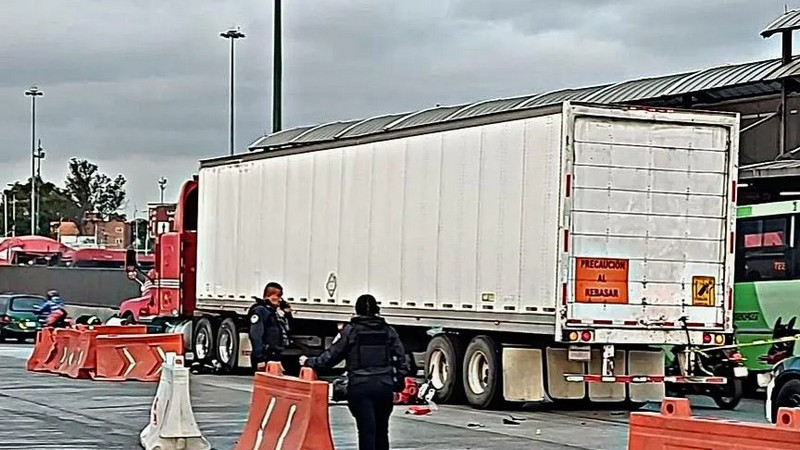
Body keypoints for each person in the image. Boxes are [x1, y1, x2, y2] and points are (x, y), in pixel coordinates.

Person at [300, 294, 408, 450]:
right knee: (381, 431)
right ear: (377, 310)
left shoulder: (351, 331)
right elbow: (401, 358)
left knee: (366, 431)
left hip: (360, 386)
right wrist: (397, 382)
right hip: (384, 386)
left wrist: (310, 362)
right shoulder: (388, 331)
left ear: (357, 310)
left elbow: (331, 357)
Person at [248, 282, 287, 371]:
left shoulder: (272, 311)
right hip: (265, 356)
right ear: (269, 296)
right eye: (278, 296)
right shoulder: (260, 311)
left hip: (273, 355)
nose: (280, 299)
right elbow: (256, 335)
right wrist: (260, 358)